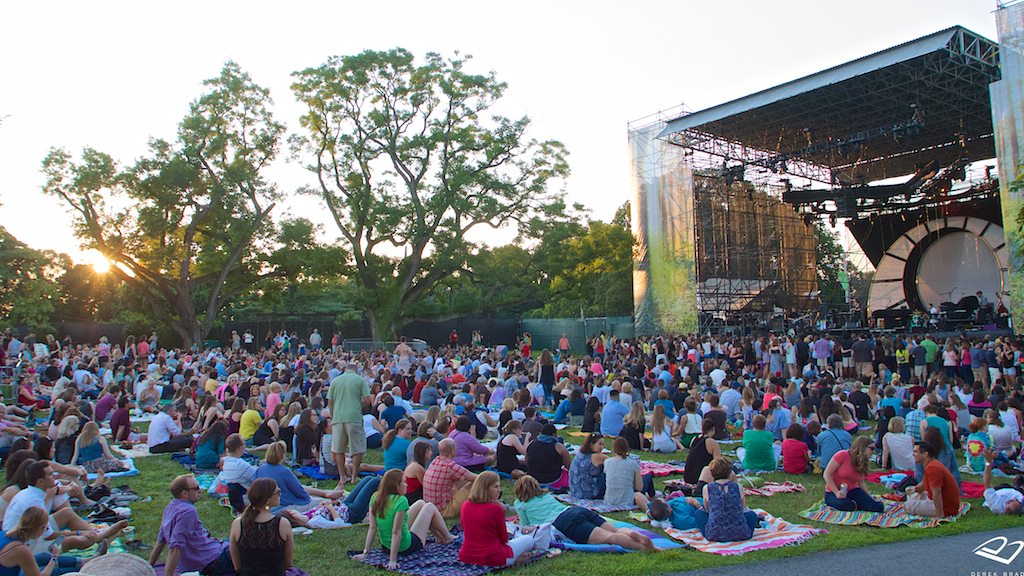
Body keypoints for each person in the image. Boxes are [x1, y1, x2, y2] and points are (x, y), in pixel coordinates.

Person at [513, 475, 658, 551]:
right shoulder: (546, 495)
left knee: (608, 537)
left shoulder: (520, 503)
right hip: (574, 509)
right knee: (615, 529)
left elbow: (527, 527)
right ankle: (632, 533)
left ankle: (645, 548)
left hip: (565, 521)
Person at [356, 470, 454, 571]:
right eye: (403, 482)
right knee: (429, 507)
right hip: (405, 547)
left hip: (386, 547)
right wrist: (392, 560)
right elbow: (396, 532)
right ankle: (447, 537)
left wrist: (366, 553)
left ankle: (438, 536)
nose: (406, 485)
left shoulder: (375, 497)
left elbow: (372, 528)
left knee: (421, 503)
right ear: (396, 485)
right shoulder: (401, 501)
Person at [458, 472, 552, 567]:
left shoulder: (465, 505)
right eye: (496, 487)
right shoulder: (495, 509)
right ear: (485, 489)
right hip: (494, 557)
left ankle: (515, 557)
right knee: (529, 539)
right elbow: (504, 539)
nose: (499, 490)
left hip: (466, 555)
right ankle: (515, 558)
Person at [150, 474, 235, 576]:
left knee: (237, 539)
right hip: (214, 562)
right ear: (185, 493)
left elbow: (160, 540)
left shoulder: (171, 507)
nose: (200, 491)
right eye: (196, 488)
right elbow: (175, 548)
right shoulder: (188, 512)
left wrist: (149, 566)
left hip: (211, 550)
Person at [228, 478, 293, 576]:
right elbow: (288, 564)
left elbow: (237, 567)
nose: (280, 494)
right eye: (278, 492)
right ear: (267, 500)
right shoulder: (283, 524)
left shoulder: (238, 524)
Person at [254, 442, 342, 514]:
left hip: (265, 507)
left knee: (308, 491)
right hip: (283, 508)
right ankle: (330, 497)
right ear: (282, 456)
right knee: (326, 502)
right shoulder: (284, 471)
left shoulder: (261, 469)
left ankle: (328, 493)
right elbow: (300, 492)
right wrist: (309, 499)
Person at [0, 506, 83, 576]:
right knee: (53, 571)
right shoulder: (21, 550)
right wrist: (54, 557)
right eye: (46, 528)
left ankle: (82, 561)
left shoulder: (4, 533)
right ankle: (84, 569)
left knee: (43, 556)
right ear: (41, 528)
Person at [327, 362, 371, 488]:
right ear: (356, 370)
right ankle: (354, 477)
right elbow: (367, 400)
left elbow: (330, 401)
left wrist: (333, 415)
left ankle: (342, 476)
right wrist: (358, 404)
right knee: (357, 448)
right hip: (354, 417)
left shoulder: (335, 381)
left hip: (338, 417)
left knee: (339, 449)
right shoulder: (360, 380)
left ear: (345, 369)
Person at [694, 457, 758, 542]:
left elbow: (708, 511)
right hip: (741, 533)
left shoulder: (707, 488)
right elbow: (743, 509)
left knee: (699, 513)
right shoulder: (738, 487)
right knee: (752, 515)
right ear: (729, 472)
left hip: (714, 534)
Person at [822, 436, 884, 512]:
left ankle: (857, 504)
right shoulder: (842, 455)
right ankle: (855, 504)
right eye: (871, 449)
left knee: (878, 507)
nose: (873, 452)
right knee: (845, 505)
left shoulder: (863, 462)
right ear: (863, 447)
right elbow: (827, 474)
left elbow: (861, 483)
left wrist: (870, 497)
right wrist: (837, 492)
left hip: (853, 490)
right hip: (834, 492)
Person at [904, 441, 961, 518]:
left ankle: (937, 511)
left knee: (907, 505)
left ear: (925, 454)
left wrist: (939, 515)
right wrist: (914, 489)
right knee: (911, 496)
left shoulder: (932, 468)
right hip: (941, 501)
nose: (913, 454)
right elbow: (923, 485)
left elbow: (937, 493)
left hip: (945, 507)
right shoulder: (932, 464)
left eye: (915, 452)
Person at [423, 438, 477, 518]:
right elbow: (479, 478)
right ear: (452, 451)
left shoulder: (435, 461)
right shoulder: (450, 466)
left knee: (462, 480)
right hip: (443, 511)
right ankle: (491, 502)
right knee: (476, 483)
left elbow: (465, 475)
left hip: (430, 508)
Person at [603, 437, 651, 509]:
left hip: (609, 500)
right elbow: (639, 488)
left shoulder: (607, 462)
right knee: (648, 477)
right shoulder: (633, 464)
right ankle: (653, 497)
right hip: (627, 500)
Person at [980, 449, 1024, 515]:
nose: (1014, 498)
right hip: (1018, 492)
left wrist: (988, 462)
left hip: (1001, 491)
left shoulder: (995, 504)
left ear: (1006, 504)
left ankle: (1017, 485)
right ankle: (1017, 485)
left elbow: (987, 482)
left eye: (1012, 500)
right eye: (1017, 501)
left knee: (1003, 485)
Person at [569, 432, 607, 500]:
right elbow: (614, 463)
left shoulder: (579, 455)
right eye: (600, 444)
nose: (602, 447)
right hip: (589, 494)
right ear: (591, 445)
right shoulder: (596, 457)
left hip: (575, 491)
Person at [684, 419, 721, 485]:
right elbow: (718, 463)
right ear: (713, 429)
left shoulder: (694, 439)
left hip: (688, 476)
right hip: (702, 477)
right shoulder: (712, 442)